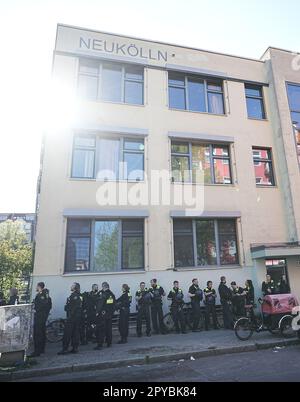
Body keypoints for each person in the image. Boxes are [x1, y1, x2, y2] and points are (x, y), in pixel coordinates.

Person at [58, 282, 83, 355]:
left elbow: (74, 307)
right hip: (76, 317)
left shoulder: (74, 296)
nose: (71, 286)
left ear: (75, 287)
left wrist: (70, 316)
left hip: (72, 318)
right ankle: (75, 348)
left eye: (72, 286)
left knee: (67, 333)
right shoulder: (77, 295)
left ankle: (65, 349)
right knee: (75, 333)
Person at [29, 282, 52, 357]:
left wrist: (36, 309)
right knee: (42, 333)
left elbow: (43, 304)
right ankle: (41, 349)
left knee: (38, 334)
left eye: (36, 286)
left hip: (40, 317)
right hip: (42, 317)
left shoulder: (42, 295)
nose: (36, 287)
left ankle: (37, 351)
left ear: (39, 286)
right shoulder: (45, 295)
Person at [94, 282, 116, 350]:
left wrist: (97, 312)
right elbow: (113, 305)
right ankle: (109, 343)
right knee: (109, 329)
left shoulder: (104, 294)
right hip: (109, 315)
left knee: (101, 330)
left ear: (103, 287)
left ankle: (100, 345)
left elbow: (100, 304)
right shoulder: (112, 294)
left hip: (103, 315)